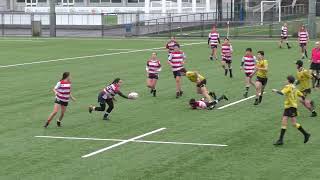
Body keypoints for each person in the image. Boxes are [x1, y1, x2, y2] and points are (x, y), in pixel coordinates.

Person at [272, 75, 311, 146]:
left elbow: (282, 93)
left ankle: (306, 134)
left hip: (291, 107)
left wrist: (275, 90)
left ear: (289, 81)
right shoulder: (294, 87)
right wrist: (305, 100)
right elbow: (301, 95)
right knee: (284, 122)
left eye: (286, 80)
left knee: (294, 124)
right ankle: (280, 140)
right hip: (289, 107)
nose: (285, 81)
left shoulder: (288, 87)